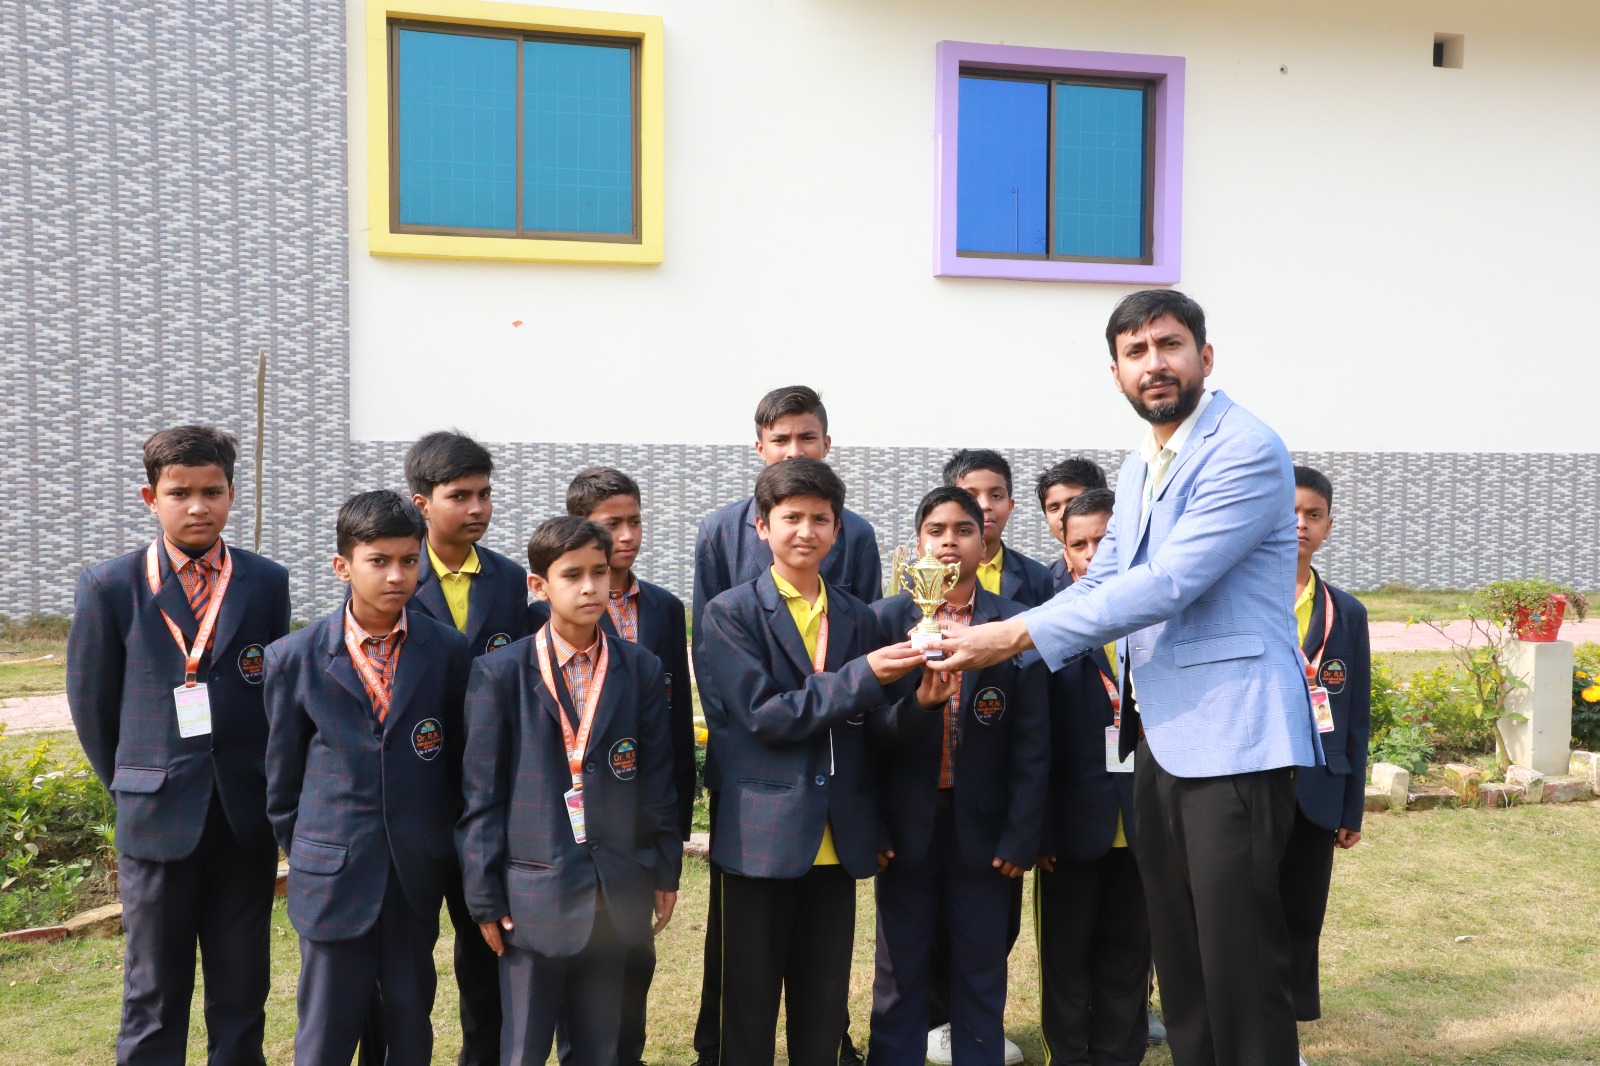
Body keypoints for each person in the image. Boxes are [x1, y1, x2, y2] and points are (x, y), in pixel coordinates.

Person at [933, 289, 1319, 1066]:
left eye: (1169, 345)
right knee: (1182, 964)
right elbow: (1102, 581)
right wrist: (982, 638)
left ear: (1205, 356)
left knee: (1239, 968)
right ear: (1116, 373)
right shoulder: (1142, 465)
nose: (1154, 364)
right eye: (1135, 352)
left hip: (1234, 738)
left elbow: (1169, 582)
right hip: (1162, 741)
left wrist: (1008, 635)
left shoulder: (1245, 449)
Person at [66, 425, 291, 1066]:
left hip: (242, 816)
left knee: (242, 985)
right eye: (180, 493)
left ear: (231, 494)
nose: (198, 507)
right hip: (156, 815)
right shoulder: (111, 586)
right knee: (155, 989)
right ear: (151, 497)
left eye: (212, 492)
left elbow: (273, 698)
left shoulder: (265, 581)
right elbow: (92, 707)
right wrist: (136, 783)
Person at [697, 458, 927, 1066]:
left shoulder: (857, 616)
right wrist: (862, 676)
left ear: (837, 529)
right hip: (761, 838)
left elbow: (873, 731)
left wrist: (922, 703)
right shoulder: (730, 613)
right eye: (791, 517)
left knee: (822, 1009)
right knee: (748, 1007)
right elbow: (763, 716)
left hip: (838, 838)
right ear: (762, 527)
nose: (806, 531)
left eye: (820, 519)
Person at [458, 516, 682, 1066]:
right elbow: (481, 797)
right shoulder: (499, 673)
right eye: (572, 575)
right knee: (524, 1047)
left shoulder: (640, 668)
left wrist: (663, 870)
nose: (589, 587)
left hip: (615, 888)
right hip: (531, 895)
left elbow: (657, 781)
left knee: (599, 1045)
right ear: (539, 586)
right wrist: (484, 896)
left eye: (599, 573)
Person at [264, 490, 471, 1066]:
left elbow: (458, 762)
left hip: (414, 870)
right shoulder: (294, 657)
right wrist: (314, 851)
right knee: (326, 1029)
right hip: (332, 872)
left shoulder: (447, 651)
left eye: (409, 560)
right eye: (378, 561)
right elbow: (282, 781)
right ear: (343, 566)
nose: (396, 575)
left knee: (410, 1021)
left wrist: (436, 843)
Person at [867, 487, 1048, 1066]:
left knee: (981, 967)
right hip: (905, 832)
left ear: (984, 543)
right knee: (899, 972)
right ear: (918, 542)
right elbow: (867, 736)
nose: (950, 541)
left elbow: (1033, 741)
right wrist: (874, 828)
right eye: (936, 530)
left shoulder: (1013, 624)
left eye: (964, 530)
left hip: (986, 833)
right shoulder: (883, 620)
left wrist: (1022, 833)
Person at [538, 468, 696, 1066]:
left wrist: (670, 835)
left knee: (633, 965)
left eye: (635, 521)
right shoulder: (547, 613)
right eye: (612, 524)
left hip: (637, 820)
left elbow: (673, 728)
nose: (627, 535)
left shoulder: (664, 608)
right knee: (576, 974)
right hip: (570, 825)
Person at [389, 429, 530, 1066]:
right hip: (415, 803)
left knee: (489, 958)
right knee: (401, 968)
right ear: (421, 502)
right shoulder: (393, 575)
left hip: (491, 804)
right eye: (459, 496)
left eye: (484, 494)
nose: (477, 508)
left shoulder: (509, 583)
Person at [929, 447, 1053, 1064]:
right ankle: (936, 1021)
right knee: (920, 929)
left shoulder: (1036, 587)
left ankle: (975, 1025)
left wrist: (1025, 825)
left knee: (988, 926)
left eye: (994, 495)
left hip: (993, 797)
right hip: (926, 798)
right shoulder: (905, 600)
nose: (982, 507)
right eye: (968, 496)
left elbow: (1037, 732)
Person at [1035, 488, 1153, 1066]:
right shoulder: (1050, 624)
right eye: (1078, 544)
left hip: (1147, 820)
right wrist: (1040, 828)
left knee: (1130, 951)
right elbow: (1034, 743)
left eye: (1104, 541)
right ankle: (1070, 1055)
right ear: (1065, 552)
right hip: (1071, 826)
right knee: (1066, 953)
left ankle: (1120, 1053)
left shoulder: (1160, 619)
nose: (1091, 554)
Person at [1280, 466, 1370, 1061]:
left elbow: (1357, 715)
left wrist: (1350, 808)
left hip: (1317, 791)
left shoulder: (1348, 613)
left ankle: (1284, 1032)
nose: (1300, 524)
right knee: (1249, 910)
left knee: (1301, 914)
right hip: (1252, 784)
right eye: (1288, 513)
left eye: (1313, 515)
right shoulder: (1243, 599)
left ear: (1329, 526)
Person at [943, 449, 1056, 608]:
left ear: (1010, 506)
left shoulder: (1037, 577)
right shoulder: (924, 573)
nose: (985, 505)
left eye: (996, 496)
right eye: (971, 496)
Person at [1035, 458, 1109, 591]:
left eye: (1074, 502)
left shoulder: (1137, 571)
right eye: (1054, 508)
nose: (1064, 514)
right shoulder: (1040, 585)